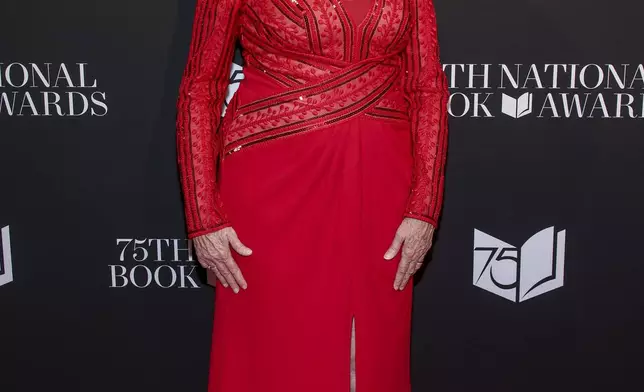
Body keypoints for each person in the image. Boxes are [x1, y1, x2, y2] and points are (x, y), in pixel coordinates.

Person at [175, 0, 449, 391]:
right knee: (275, 349)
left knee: (366, 357)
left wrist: (424, 206)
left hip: (382, 184)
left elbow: (427, 89)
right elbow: (200, 89)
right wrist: (203, 215)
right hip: (271, 190)